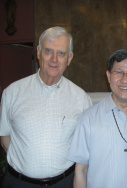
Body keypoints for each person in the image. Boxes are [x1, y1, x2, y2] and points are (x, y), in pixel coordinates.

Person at [0, 26, 92, 188]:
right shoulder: (12, 92)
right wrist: (26, 165)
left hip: (63, 183)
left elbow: (85, 147)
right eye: (48, 51)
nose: (54, 59)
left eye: (61, 53)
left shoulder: (81, 98)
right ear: (38, 52)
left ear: (69, 58)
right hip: (18, 183)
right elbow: (4, 135)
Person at [68, 49, 127, 188]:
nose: (125, 79)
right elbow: (81, 170)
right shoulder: (88, 119)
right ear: (108, 76)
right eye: (118, 72)